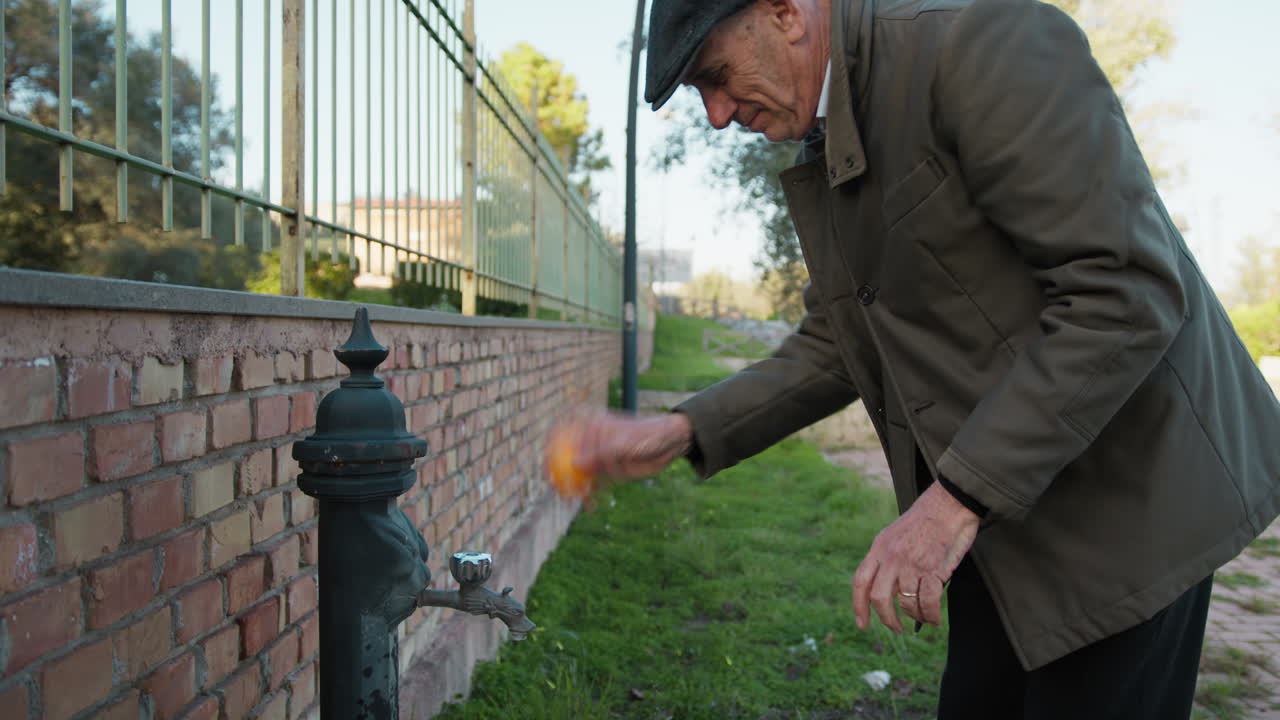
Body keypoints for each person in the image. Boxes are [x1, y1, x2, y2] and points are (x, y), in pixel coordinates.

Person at [553, 0, 1280, 717]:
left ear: (785, 13)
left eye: (715, 74)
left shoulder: (981, 42)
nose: (715, 115)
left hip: (1126, 504)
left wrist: (952, 502)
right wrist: (680, 430)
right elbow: (838, 339)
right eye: (697, 94)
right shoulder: (832, 128)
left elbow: (1126, 292)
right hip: (1006, 514)